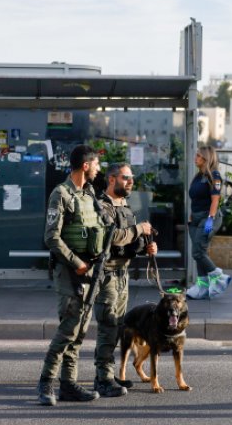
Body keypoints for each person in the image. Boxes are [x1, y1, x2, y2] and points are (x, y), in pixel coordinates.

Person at [37, 144, 106, 406]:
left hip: (90, 272)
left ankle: (68, 384)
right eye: (96, 165)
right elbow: (51, 237)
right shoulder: (61, 194)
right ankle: (45, 383)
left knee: (79, 333)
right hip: (69, 272)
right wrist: (77, 262)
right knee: (67, 330)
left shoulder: (90, 195)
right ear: (85, 166)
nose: (98, 170)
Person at [93, 163, 158, 398]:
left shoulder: (125, 206)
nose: (130, 182)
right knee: (108, 327)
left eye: (132, 178)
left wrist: (146, 246)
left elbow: (130, 243)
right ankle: (103, 378)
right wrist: (139, 229)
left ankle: (111, 375)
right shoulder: (102, 206)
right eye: (126, 177)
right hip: (107, 274)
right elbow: (112, 237)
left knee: (119, 326)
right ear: (112, 179)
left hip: (122, 274)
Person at [185, 145, 231, 300]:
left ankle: (219, 277)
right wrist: (192, 216)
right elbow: (196, 199)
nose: (195, 158)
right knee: (199, 253)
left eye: (198, 155)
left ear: (206, 158)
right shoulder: (198, 176)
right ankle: (202, 287)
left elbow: (215, 200)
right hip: (195, 218)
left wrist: (210, 220)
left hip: (208, 217)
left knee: (197, 252)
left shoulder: (215, 176)